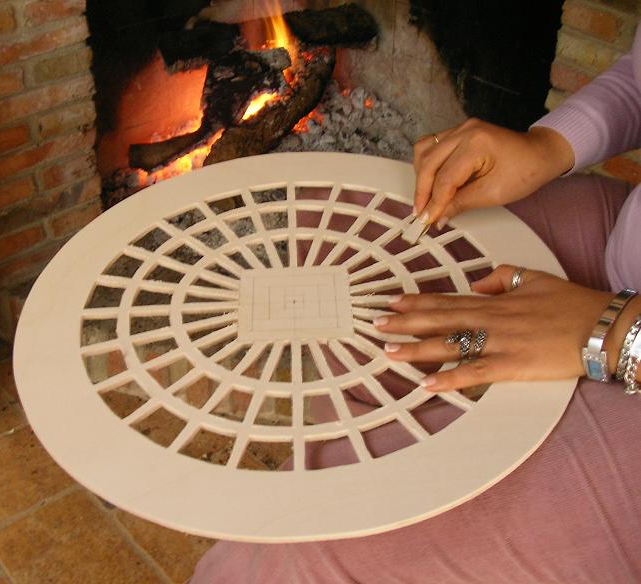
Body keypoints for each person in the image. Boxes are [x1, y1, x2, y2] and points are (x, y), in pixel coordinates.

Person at [189, 26, 641, 584]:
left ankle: (348, 513)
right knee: (341, 241)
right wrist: (549, 146)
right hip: (620, 243)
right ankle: (361, 460)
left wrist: (619, 331)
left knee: (315, 549)